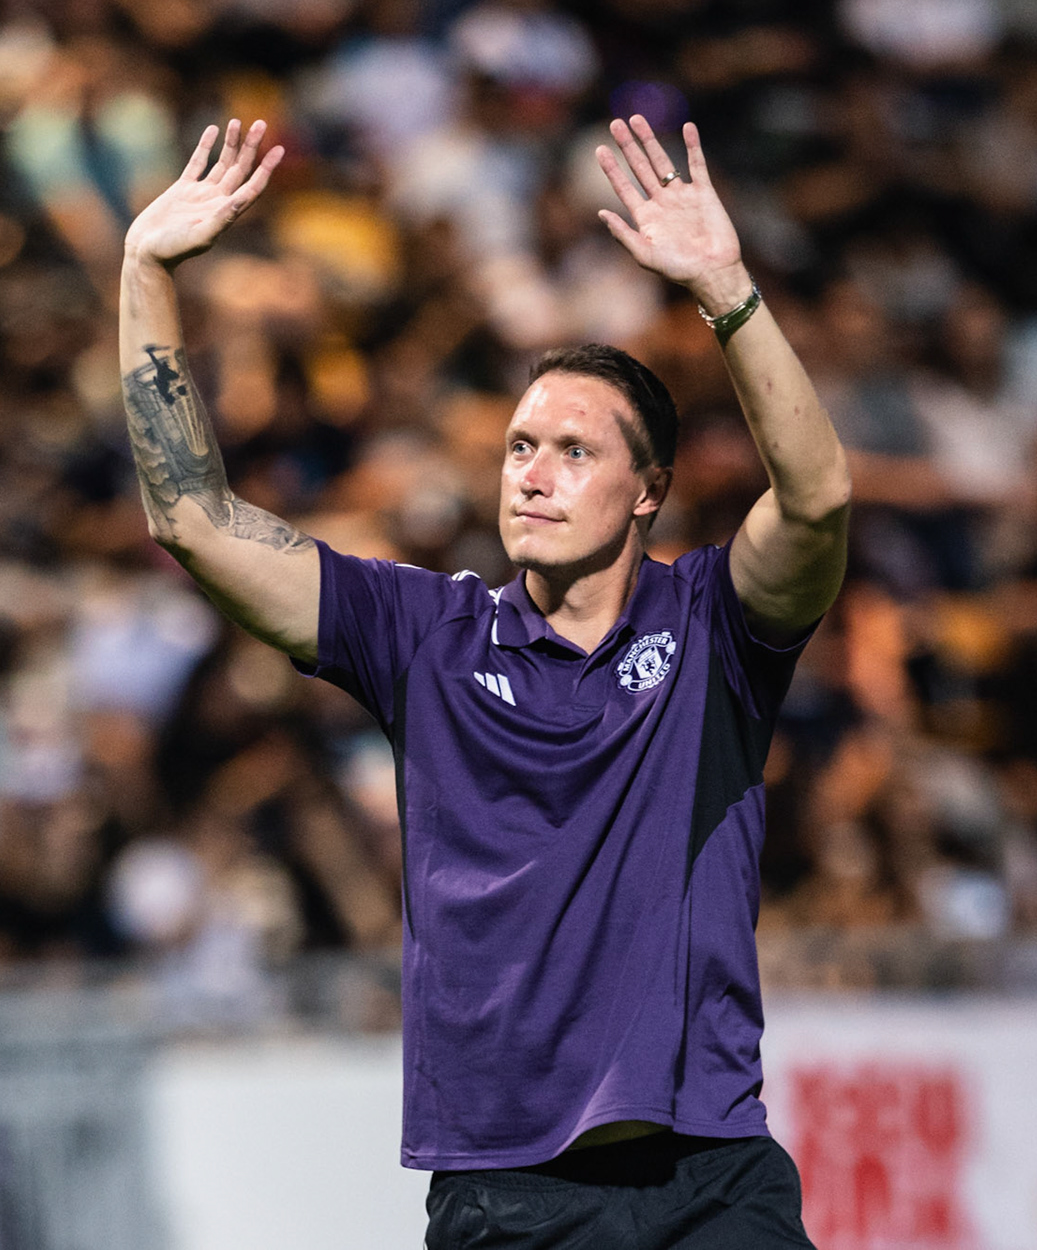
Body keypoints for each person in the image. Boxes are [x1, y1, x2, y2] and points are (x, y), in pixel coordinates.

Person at [119, 114, 849, 1247]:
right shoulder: (429, 636)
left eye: (573, 451)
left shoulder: (715, 627)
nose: (534, 475)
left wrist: (727, 290)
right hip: (508, 1194)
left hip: (711, 1174)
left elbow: (815, 501)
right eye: (519, 447)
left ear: (647, 489)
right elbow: (193, 520)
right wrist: (147, 270)